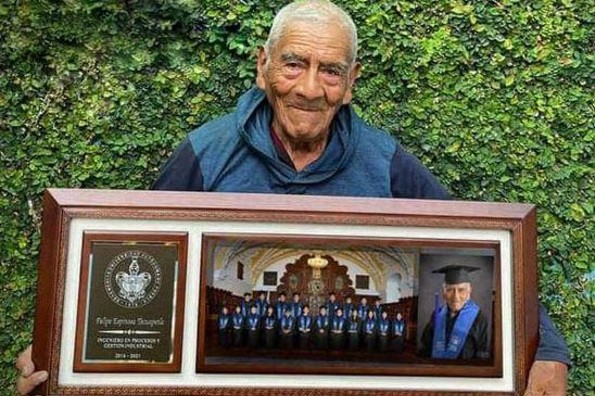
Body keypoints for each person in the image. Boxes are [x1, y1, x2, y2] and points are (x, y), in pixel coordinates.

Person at [16, 1, 569, 394]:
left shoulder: (388, 163)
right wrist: (63, 350)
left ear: (351, 82)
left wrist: (546, 351)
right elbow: (137, 262)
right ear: (263, 65)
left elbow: (483, 248)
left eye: (330, 71)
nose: (309, 88)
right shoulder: (204, 155)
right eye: (294, 63)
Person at [419, 265, 489, 360]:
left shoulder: (478, 318)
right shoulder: (437, 314)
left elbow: (482, 355)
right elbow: (425, 347)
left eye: (461, 290)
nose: (456, 297)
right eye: (450, 290)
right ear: (444, 292)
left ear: (469, 291)